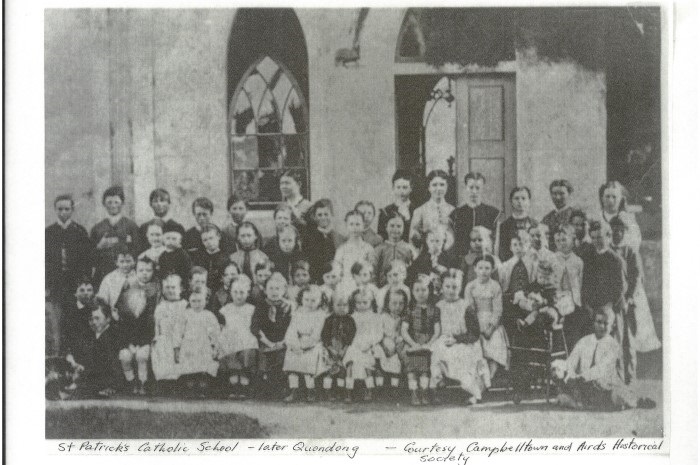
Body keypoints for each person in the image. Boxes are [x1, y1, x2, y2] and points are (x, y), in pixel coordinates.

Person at [553, 308, 654, 411]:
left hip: (604, 387)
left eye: (606, 323)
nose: (602, 326)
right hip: (583, 386)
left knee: (618, 397)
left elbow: (601, 368)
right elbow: (571, 362)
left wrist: (581, 377)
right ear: (594, 323)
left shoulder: (613, 345)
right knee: (561, 384)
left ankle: (634, 401)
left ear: (613, 326)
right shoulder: (584, 341)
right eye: (599, 322)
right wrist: (561, 368)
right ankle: (582, 403)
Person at [582, 221, 634, 384]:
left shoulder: (616, 260)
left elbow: (621, 288)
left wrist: (608, 309)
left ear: (608, 236)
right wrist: (588, 307)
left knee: (613, 347)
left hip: (611, 310)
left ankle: (616, 383)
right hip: (593, 310)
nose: (597, 240)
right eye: (594, 237)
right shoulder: (589, 259)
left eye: (601, 236)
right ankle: (595, 385)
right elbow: (585, 285)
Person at [430, 269, 487, 405]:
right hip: (446, 339)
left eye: (455, 287)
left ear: (460, 288)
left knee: (463, 355)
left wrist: (458, 339)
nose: (451, 291)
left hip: (465, 341)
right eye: (447, 287)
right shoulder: (439, 306)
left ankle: (471, 391)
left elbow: (474, 333)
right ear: (442, 287)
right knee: (437, 350)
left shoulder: (466, 307)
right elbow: (437, 330)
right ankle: (438, 385)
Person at [609, 216, 661, 354]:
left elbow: (636, 277)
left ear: (624, 232)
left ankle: (629, 369)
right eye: (614, 230)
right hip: (610, 299)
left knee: (628, 337)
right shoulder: (607, 250)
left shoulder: (629, 251)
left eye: (620, 230)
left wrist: (630, 296)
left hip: (626, 299)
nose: (617, 233)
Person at [115, 256, 161, 395]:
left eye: (148, 270)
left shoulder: (155, 290)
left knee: (142, 356)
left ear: (153, 271)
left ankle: (142, 382)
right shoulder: (127, 288)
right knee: (125, 356)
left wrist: (142, 343)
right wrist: (128, 343)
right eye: (141, 270)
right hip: (128, 338)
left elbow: (149, 323)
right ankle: (131, 381)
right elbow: (123, 321)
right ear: (135, 271)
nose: (145, 273)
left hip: (146, 337)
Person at [463, 254, 508, 381]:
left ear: (492, 269)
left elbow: (498, 310)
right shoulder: (470, 286)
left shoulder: (495, 286)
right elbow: (469, 310)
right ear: (475, 269)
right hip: (475, 323)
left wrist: (490, 328)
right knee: (475, 349)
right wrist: (475, 327)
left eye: (487, 268)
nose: (483, 271)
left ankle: (490, 379)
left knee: (494, 345)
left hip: (492, 324)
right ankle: (480, 380)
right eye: (480, 268)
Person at [251, 272, 293, 399]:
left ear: (284, 290)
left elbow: (291, 326)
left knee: (281, 360)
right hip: (265, 341)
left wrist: (283, 342)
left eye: (278, 288)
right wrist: (268, 342)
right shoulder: (261, 305)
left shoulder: (288, 306)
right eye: (271, 288)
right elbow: (255, 327)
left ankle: (281, 389)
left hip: (283, 342)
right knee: (264, 361)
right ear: (265, 289)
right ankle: (265, 389)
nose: (274, 292)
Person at [401, 274, 441, 406]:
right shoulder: (410, 310)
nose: (420, 293)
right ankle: (414, 392)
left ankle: (424, 392)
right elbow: (404, 330)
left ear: (429, 290)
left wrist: (429, 343)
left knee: (425, 367)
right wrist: (413, 344)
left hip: (428, 340)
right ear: (412, 292)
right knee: (412, 367)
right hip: (413, 340)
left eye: (424, 290)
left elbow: (437, 330)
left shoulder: (434, 310)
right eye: (417, 290)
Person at [173, 289, 220, 397]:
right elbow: (178, 332)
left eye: (199, 301)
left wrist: (215, 347)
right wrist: (177, 348)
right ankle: (190, 390)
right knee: (190, 369)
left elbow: (215, 333)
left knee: (203, 368)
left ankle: (202, 390)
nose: (197, 304)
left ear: (205, 301)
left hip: (204, 345)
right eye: (194, 301)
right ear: (189, 302)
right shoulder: (185, 314)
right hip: (188, 345)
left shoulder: (209, 315)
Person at [283, 285, 327, 402]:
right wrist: (294, 345)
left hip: (312, 344)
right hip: (297, 342)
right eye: (306, 300)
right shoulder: (297, 312)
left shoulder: (320, 314)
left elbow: (317, 334)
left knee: (308, 366)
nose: (309, 303)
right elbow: (291, 330)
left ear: (320, 300)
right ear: (301, 299)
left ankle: (310, 390)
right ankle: (294, 390)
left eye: (313, 300)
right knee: (292, 364)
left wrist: (305, 346)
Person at [90, 186, 142, 284]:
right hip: (103, 275)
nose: (113, 206)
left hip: (126, 274)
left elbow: (138, 250)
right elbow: (90, 256)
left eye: (116, 202)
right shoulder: (97, 228)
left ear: (122, 203)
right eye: (109, 202)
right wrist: (99, 247)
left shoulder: (131, 226)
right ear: (104, 204)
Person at [46, 194, 92, 305]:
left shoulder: (80, 231)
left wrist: (84, 282)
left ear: (72, 210)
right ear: (55, 210)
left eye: (67, 209)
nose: (63, 212)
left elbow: (87, 259)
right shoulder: (48, 232)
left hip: (76, 282)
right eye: (60, 209)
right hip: (55, 284)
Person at [218, 275, 259, 399]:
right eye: (235, 292)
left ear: (248, 293)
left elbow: (254, 327)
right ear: (230, 292)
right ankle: (234, 385)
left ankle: (244, 386)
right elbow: (222, 326)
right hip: (230, 338)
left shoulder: (251, 309)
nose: (239, 295)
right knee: (232, 361)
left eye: (242, 292)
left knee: (246, 353)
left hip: (246, 338)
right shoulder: (226, 309)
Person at [74, 299, 125, 398]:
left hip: (108, 380)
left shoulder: (112, 335)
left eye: (97, 318)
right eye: (91, 319)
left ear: (108, 319)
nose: (93, 322)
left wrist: (112, 385)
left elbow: (114, 365)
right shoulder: (90, 335)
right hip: (94, 377)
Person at [342, 287, 383, 402]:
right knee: (350, 364)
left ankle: (369, 389)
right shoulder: (351, 317)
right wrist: (354, 344)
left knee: (367, 365)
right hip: (355, 344)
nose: (361, 305)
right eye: (358, 303)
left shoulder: (375, 317)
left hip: (370, 345)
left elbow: (379, 334)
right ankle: (348, 391)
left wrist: (369, 343)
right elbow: (348, 333)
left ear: (371, 302)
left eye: (365, 302)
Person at [449, 172, 501, 257]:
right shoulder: (455, 214)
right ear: (465, 188)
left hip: (485, 262)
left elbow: (496, 243)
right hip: (461, 261)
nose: (474, 191)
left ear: (483, 189)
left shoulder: (492, 213)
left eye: (477, 188)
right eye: (471, 187)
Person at [553, 224, 588, 348]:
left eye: (564, 240)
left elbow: (581, 283)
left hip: (574, 303)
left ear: (572, 240)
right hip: (556, 301)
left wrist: (578, 301)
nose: (561, 243)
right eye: (558, 240)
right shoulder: (552, 259)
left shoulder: (578, 261)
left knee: (573, 333)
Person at [152, 274, 188, 386]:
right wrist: (156, 336)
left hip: (180, 338)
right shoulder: (161, 306)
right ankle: (165, 382)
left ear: (181, 289)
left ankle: (178, 382)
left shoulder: (185, 305)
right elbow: (157, 324)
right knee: (162, 351)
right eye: (167, 288)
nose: (170, 290)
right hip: (164, 337)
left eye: (173, 287)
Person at [320, 291, 356, 400]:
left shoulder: (350, 320)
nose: (342, 308)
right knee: (329, 370)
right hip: (331, 348)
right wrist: (330, 348)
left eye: (345, 305)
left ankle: (342, 392)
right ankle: (328, 392)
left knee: (343, 372)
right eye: (338, 305)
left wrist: (344, 349)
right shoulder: (329, 320)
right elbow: (324, 336)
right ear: (332, 306)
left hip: (344, 348)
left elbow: (351, 336)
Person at [303, 199, 346, 284]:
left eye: (326, 214)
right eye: (319, 215)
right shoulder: (308, 238)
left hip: (335, 280)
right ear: (314, 217)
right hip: (316, 280)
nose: (323, 218)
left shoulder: (339, 238)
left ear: (332, 215)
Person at [375, 288, 408, 398]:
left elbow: (404, 333)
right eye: (394, 303)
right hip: (384, 344)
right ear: (387, 303)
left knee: (398, 359)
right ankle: (379, 386)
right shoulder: (383, 317)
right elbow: (379, 333)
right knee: (381, 354)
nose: (397, 306)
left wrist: (400, 340)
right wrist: (384, 343)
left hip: (397, 345)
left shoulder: (404, 318)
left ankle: (396, 387)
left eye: (401, 303)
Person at [62, 278, 97, 380]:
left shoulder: (97, 310)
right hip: (75, 351)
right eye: (82, 290)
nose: (86, 293)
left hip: (93, 351)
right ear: (75, 293)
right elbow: (66, 336)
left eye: (89, 290)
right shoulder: (69, 311)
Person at [410, 170, 455, 243]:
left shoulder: (453, 210)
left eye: (442, 185)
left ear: (447, 186)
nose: (438, 189)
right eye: (434, 185)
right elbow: (412, 239)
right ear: (429, 187)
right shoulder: (420, 211)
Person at [597, 180, 642, 251]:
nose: (611, 201)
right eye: (607, 196)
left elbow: (635, 243)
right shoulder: (597, 219)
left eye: (614, 197)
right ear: (602, 198)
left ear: (621, 199)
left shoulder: (628, 220)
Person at [335, 210, 376, 288]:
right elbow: (337, 271)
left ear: (363, 225)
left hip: (364, 285)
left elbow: (372, 272)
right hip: (346, 286)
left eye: (358, 224)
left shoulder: (368, 249)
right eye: (351, 224)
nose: (354, 228)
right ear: (346, 225)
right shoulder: (341, 249)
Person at [138, 188, 185, 255]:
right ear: (150, 204)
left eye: (162, 201)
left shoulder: (177, 227)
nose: (159, 204)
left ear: (169, 203)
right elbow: (141, 251)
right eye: (155, 201)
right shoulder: (144, 228)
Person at [497, 187, 538, 262]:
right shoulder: (504, 225)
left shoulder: (535, 224)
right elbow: (502, 252)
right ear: (511, 201)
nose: (520, 201)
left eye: (523, 198)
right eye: (516, 198)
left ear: (529, 201)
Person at [374, 212, 412, 286]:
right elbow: (373, 272)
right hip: (383, 289)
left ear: (404, 228)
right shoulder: (379, 249)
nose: (395, 229)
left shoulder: (409, 249)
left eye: (399, 226)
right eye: (392, 226)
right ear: (386, 227)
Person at [378, 169, 414, 243]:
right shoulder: (386, 212)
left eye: (405, 187)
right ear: (393, 188)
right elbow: (382, 237)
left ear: (411, 188)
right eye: (398, 187)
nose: (401, 191)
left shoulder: (416, 209)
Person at [191, 224, 230, 291]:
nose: (209, 242)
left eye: (211, 238)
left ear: (219, 237)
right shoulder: (198, 258)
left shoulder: (226, 257)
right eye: (205, 240)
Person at [96, 244, 136, 311]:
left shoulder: (140, 276)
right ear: (116, 262)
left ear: (135, 261)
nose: (125, 265)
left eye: (128, 261)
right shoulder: (109, 279)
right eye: (122, 261)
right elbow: (102, 301)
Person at [541, 180, 575, 251]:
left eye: (562, 193)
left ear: (569, 194)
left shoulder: (576, 216)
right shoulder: (546, 219)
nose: (558, 197)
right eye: (554, 194)